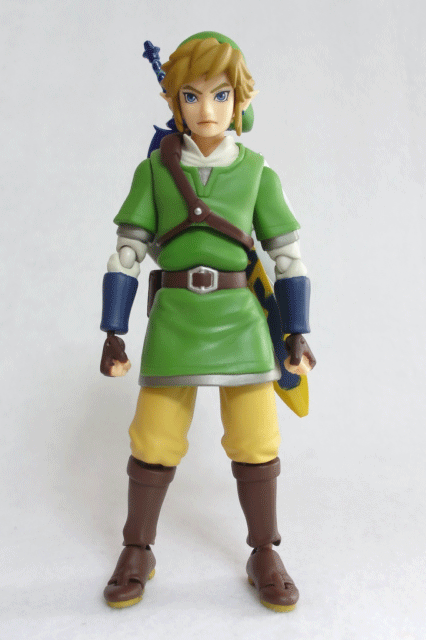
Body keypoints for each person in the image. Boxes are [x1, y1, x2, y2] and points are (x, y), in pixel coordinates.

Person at [99, 32, 315, 612]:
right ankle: (137, 548)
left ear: (241, 101)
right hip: (175, 319)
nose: (207, 110)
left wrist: (296, 331)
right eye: (191, 96)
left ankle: (264, 551)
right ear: (174, 102)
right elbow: (127, 252)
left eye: (221, 95)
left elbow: (287, 258)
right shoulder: (155, 171)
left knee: (255, 438)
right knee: (153, 437)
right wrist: (113, 330)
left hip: (240, 320)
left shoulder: (257, 174)